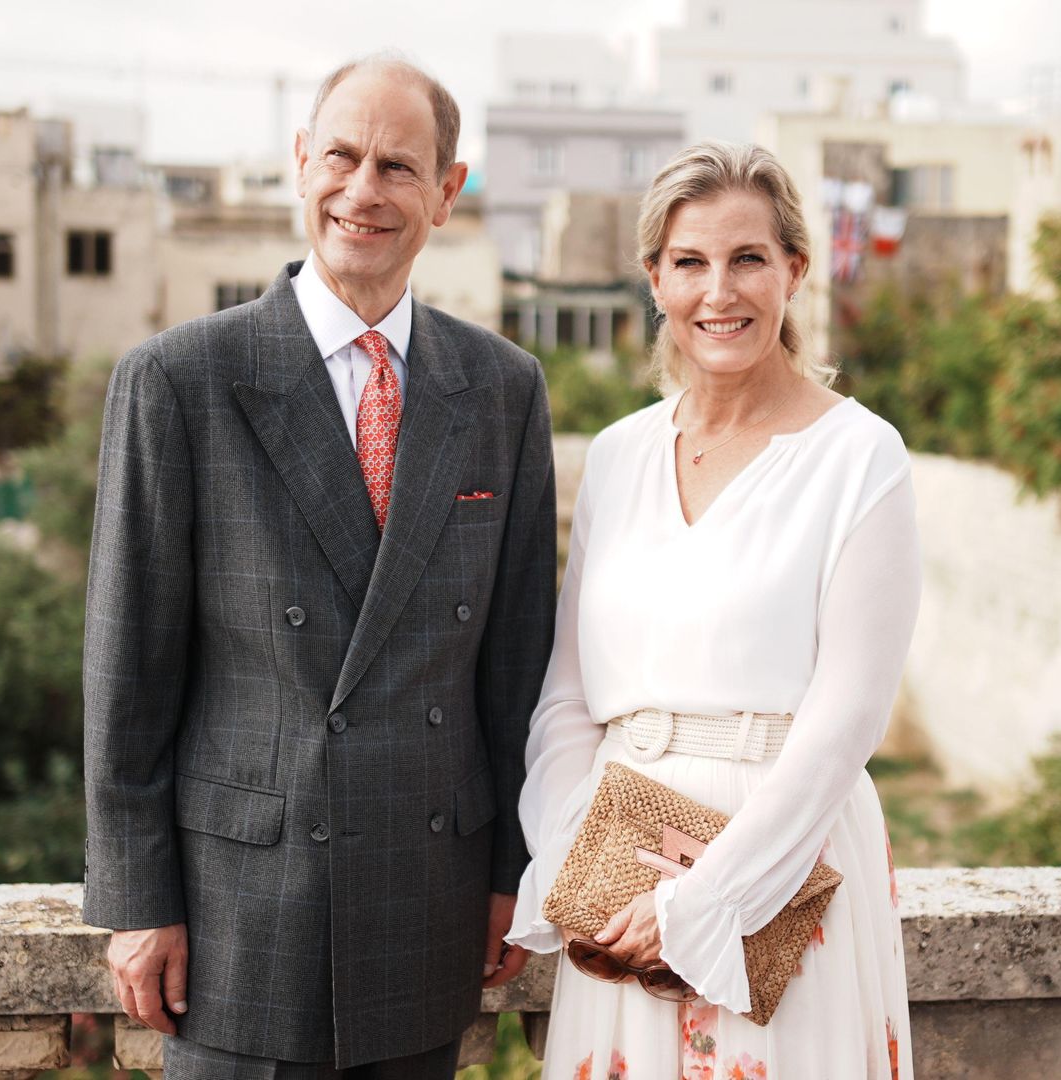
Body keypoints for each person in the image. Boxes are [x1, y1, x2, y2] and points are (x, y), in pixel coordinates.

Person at [82, 55, 557, 1079]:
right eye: (341, 156)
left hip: (428, 896)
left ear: (448, 191)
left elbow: (519, 662)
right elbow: (127, 670)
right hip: (237, 913)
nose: (363, 190)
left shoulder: (504, 389)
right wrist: (136, 900)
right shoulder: (178, 381)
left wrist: (516, 867)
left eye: (398, 165)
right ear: (301, 164)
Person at [506, 141, 921, 1080]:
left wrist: (707, 901)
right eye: (690, 262)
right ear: (655, 278)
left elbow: (847, 718)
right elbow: (567, 693)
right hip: (619, 868)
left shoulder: (861, 457)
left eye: (747, 260)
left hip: (782, 873)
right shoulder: (616, 454)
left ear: (794, 273)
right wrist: (579, 860)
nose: (717, 292)